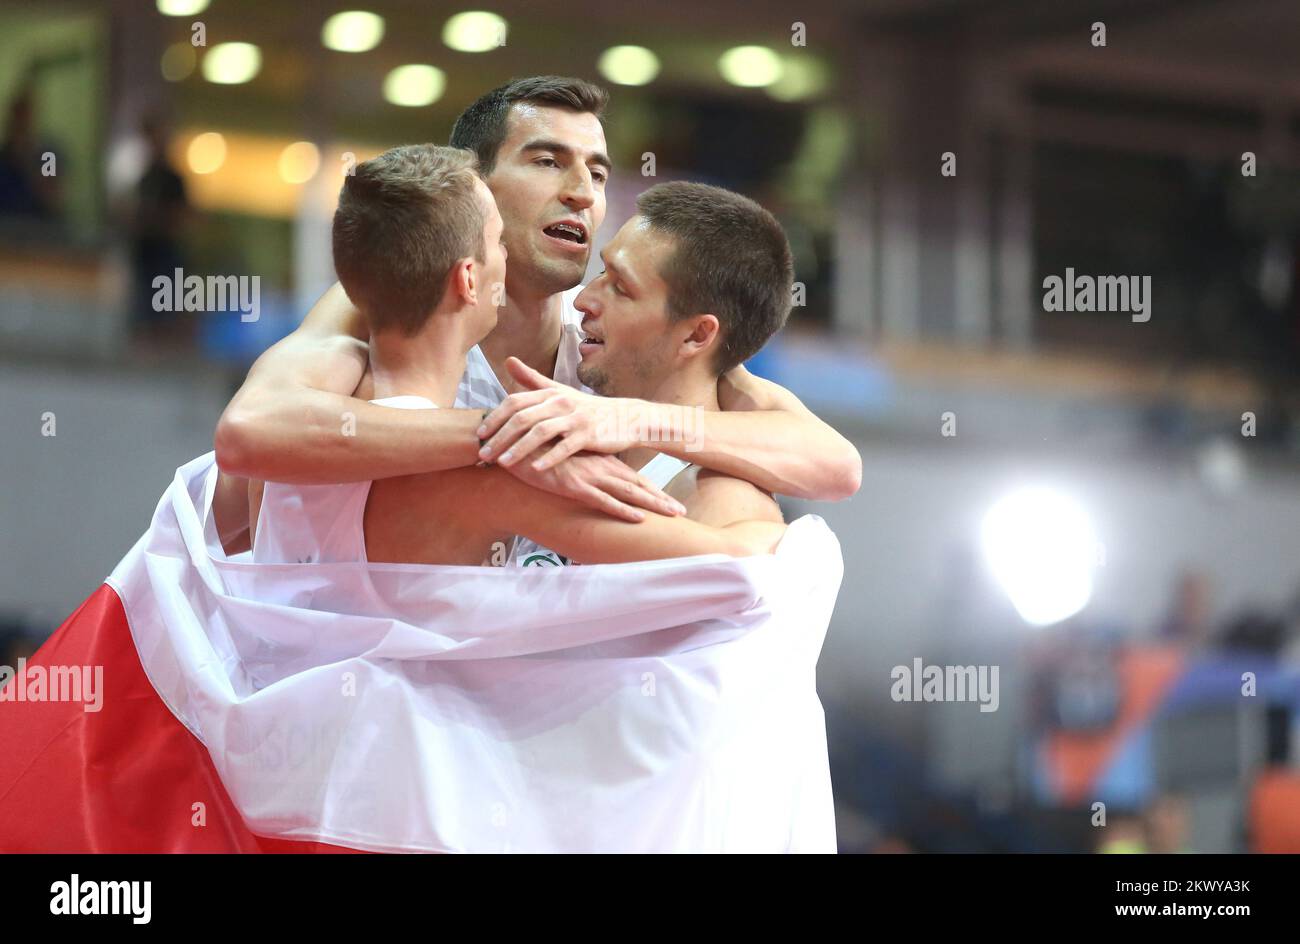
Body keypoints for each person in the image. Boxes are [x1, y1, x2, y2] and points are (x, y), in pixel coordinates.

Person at [213, 76, 860, 551]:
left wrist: (629, 419)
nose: (581, 192)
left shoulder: (618, 352)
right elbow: (246, 452)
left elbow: (833, 466)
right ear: (476, 190)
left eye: (599, 174)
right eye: (549, 161)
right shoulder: (377, 307)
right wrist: (507, 440)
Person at [247, 146, 785, 568]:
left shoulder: (300, 421)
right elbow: (739, 560)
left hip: (268, 699)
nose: (580, 296)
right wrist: (797, 541)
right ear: (467, 279)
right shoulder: (498, 481)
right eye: (499, 242)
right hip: (383, 709)